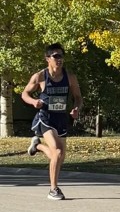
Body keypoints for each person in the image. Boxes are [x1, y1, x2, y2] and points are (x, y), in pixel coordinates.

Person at [21, 43, 83, 200]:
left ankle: (38, 146)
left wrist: (76, 109)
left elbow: (78, 97)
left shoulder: (70, 77)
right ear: (47, 58)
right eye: (55, 56)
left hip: (61, 118)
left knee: (60, 156)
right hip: (45, 118)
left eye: (61, 56)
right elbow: (25, 94)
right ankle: (53, 189)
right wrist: (33, 101)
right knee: (57, 152)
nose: (59, 59)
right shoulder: (40, 77)